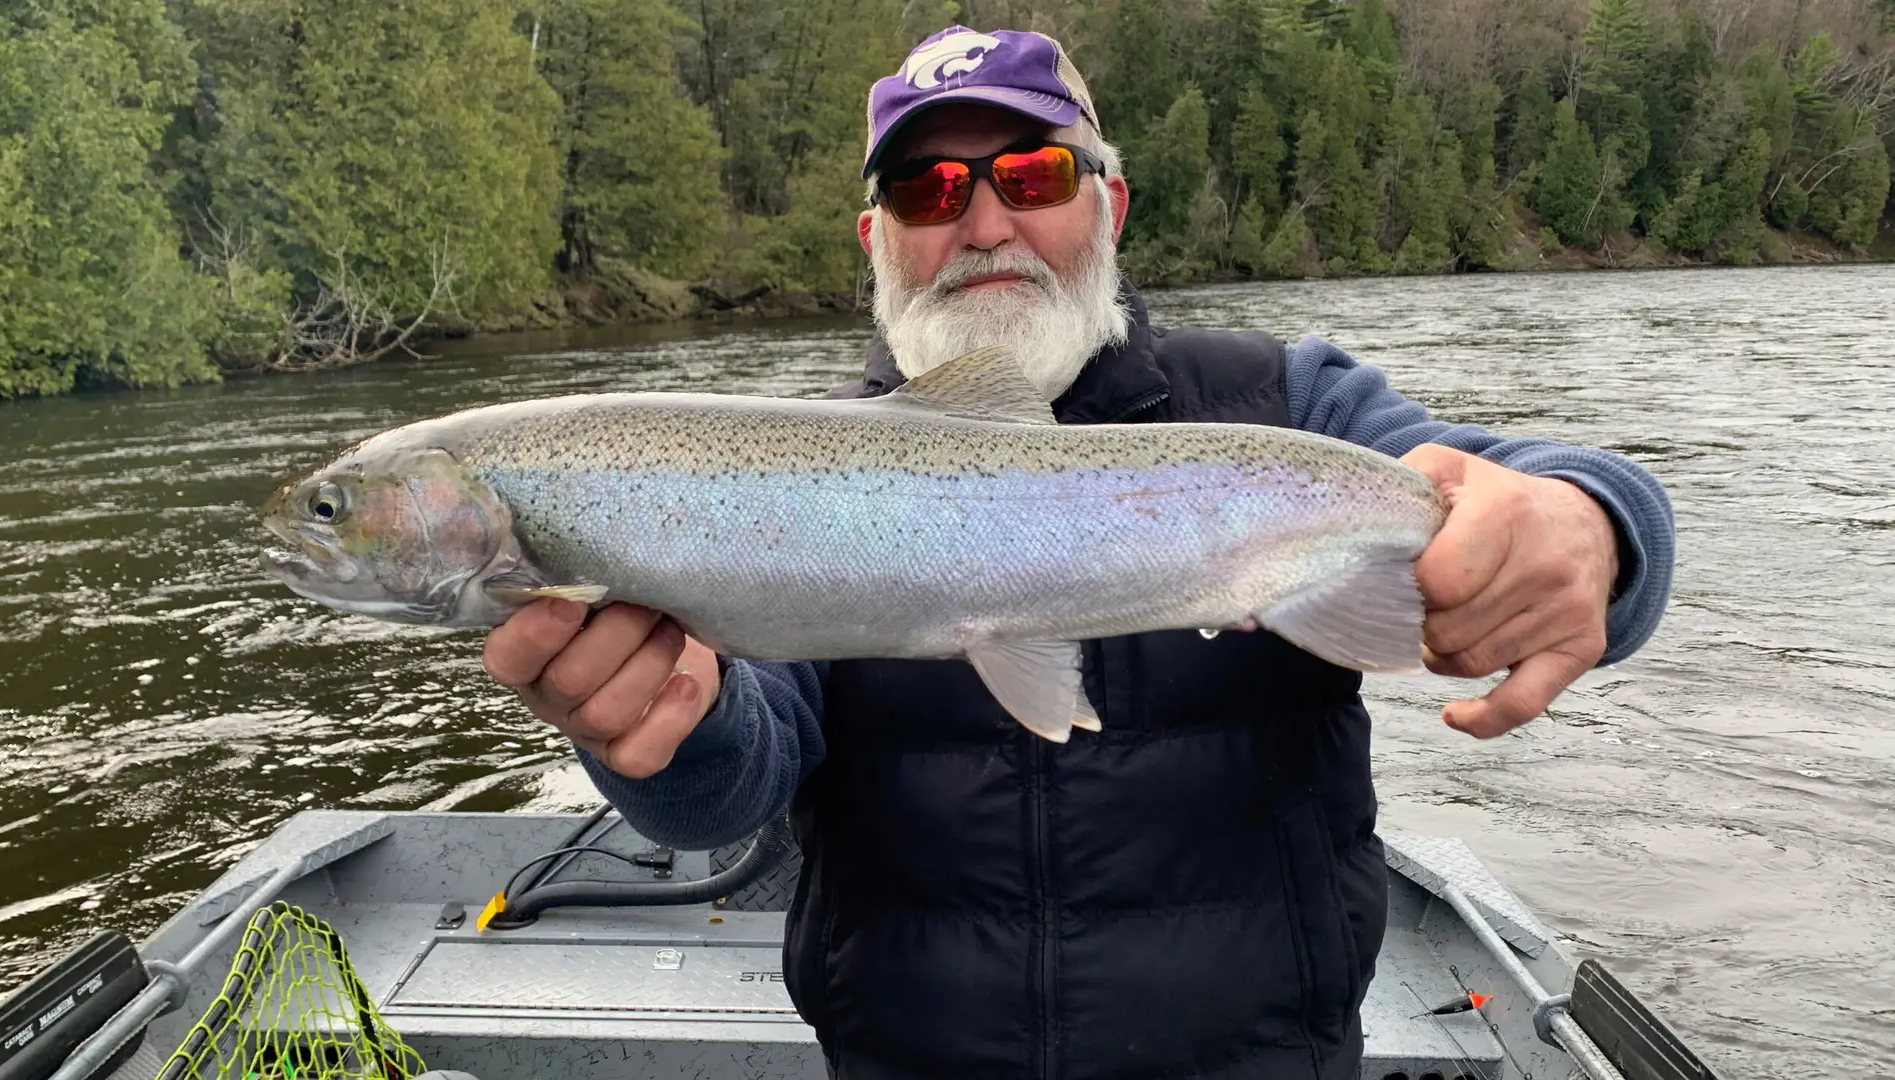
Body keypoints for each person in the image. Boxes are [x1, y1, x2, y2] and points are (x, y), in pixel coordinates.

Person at [479, 25, 1676, 1080]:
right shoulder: (780, 476)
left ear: (1110, 204)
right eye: (926, 189)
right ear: (875, 238)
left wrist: (1594, 530)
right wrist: (655, 735)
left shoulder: (1284, 403)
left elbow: (1520, 496)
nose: (985, 222)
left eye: (1034, 174)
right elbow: (732, 784)